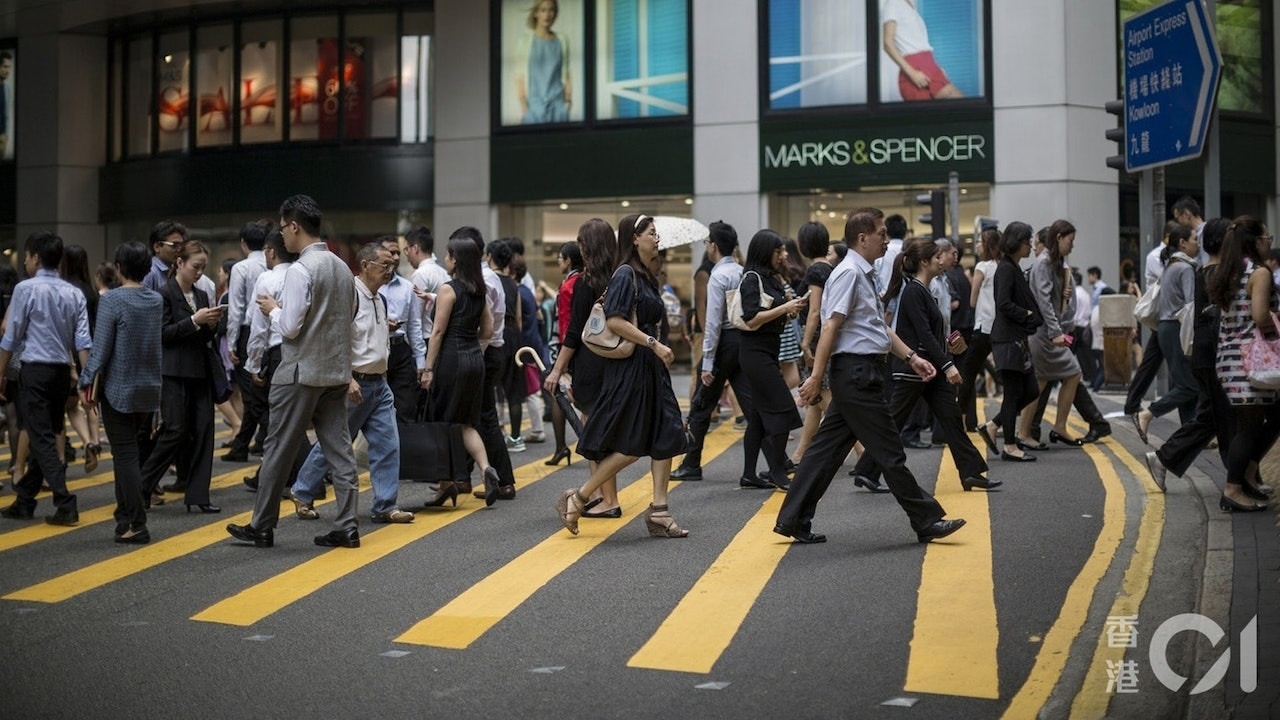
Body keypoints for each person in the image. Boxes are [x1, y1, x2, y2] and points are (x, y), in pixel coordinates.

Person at [775, 209, 966, 545]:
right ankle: (925, 519)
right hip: (856, 373)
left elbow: (877, 329)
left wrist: (912, 357)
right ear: (862, 239)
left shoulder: (864, 274)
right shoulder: (849, 274)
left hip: (863, 371)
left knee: (825, 450)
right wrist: (816, 377)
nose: (887, 240)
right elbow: (830, 327)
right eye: (881, 233)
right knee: (890, 450)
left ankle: (792, 518)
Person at [226, 194, 363, 549]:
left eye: (284, 228)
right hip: (335, 371)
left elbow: (289, 328)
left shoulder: (301, 270)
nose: (282, 236)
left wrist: (273, 309)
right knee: (340, 450)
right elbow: (349, 318)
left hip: (300, 371)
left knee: (278, 447)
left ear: (294, 226)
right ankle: (347, 525)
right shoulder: (342, 268)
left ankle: (262, 525)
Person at [553, 213, 689, 538]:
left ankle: (660, 511)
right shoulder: (625, 274)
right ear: (634, 238)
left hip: (652, 369)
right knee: (630, 444)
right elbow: (614, 320)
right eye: (652, 233)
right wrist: (653, 343)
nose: (657, 238)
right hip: (633, 369)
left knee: (666, 436)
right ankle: (580, 497)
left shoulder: (646, 275)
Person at [851, 238, 997, 491]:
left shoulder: (922, 289)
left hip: (929, 368)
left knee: (951, 419)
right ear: (924, 262)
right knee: (894, 422)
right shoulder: (914, 291)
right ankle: (867, 470)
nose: (942, 261)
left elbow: (929, 333)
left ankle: (971, 472)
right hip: (915, 369)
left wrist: (947, 347)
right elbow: (923, 334)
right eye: (937, 257)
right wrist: (948, 364)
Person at [290, 242, 415, 525]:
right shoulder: (349, 296)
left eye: (392, 265)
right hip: (354, 385)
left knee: (388, 444)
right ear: (366, 265)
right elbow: (335, 341)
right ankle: (302, 490)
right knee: (336, 444)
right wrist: (347, 379)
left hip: (379, 385)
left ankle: (385, 505)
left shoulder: (379, 299)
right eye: (384, 264)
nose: (390, 270)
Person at [0, 231, 92, 526]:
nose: (25, 262)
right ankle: (25, 501)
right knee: (48, 432)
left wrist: (0, 373)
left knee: (41, 437)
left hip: (35, 371)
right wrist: (87, 377)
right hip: (61, 374)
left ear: (36, 258)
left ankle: (65, 502)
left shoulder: (25, 289)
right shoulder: (74, 293)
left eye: (26, 257)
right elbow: (83, 341)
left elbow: (11, 337)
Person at [1143, 219, 1238, 492]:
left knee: (1210, 416)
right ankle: (1237, 480)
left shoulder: (1199, 270)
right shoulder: (1209, 272)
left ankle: (1165, 459)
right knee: (1223, 416)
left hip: (1202, 351)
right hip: (1214, 353)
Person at [78, 241, 163, 543]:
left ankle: (137, 523)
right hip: (148, 389)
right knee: (130, 454)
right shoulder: (156, 300)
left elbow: (100, 350)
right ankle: (124, 518)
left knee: (125, 455)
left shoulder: (112, 300)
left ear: (118, 267)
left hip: (118, 388)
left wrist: (85, 381)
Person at [543, 220, 622, 516]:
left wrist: (556, 369)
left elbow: (574, 332)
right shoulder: (621, 277)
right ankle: (602, 495)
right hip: (616, 360)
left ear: (588, 246)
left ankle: (608, 499)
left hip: (590, 362)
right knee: (603, 431)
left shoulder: (584, 283)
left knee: (593, 432)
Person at [138, 240, 222, 512]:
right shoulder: (163, 294)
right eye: (195, 267)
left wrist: (212, 324)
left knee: (204, 431)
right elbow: (162, 334)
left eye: (203, 267)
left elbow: (205, 336)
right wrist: (195, 321)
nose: (199, 272)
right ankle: (141, 486)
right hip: (173, 372)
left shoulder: (201, 295)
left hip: (199, 371)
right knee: (175, 430)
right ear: (180, 263)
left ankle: (198, 496)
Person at [672, 220, 753, 484]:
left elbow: (713, 321)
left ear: (714, 246)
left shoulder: (717, 275)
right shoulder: (742, 271)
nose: (706, 246)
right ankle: (768, 465)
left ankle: (691, 464)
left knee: (701, 405)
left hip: (722, 345)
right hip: (742, 341)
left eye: (707, 242)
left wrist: (707, 361)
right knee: (751, 405)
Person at [424, 237, 500, 508]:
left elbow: (438, 332)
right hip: (474, 359)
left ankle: (446, 483)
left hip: (451, 360)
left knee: (442, 422)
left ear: (455, 260)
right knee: (466, 422)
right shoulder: (479, 290)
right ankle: (486, 468)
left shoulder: (449, 290)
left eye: (447, 256)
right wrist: (469, 340)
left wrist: (428, 368)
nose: (445, 260)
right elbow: (488, 330)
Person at [1206, 216, 1276, 512]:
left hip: (1230, 358)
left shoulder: (1229, 271)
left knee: (1257, 420)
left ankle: (1246, 475)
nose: (1268, 243)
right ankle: (1233, 489)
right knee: (1249, 425)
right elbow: (1260, 315)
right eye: (1267, 238)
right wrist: (1276, 326)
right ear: (1255, 241)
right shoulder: (1259, 273)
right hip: (1250, 360)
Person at [737, 230, 808, 490]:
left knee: (757, 417)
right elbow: (751, 319)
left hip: (768, 350)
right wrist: (784, 308)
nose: (784, 255)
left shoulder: (772, 278)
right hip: (754, 353)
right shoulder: (751, 279)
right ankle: (777, 471)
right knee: (783, 409)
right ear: (765, 252)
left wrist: (790, 312)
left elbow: (772, 317)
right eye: (779, 251)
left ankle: (748, 474)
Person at [451, 227, 518, 500]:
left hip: (484, 352)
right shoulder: (486, 277)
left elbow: (482, 327)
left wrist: (471, 354)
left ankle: (504, 482)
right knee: (472, 416)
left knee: (484, 417)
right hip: (487, 352)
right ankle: (464, 477)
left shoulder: (483, 280)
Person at [978, 222, 1043, 462]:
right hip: (1007, 339)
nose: (1030, 246)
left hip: (1016, 338)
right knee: (1014, 393)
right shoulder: (1005, 269)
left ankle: (993, 425)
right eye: (1027, 241)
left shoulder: (1013, 267)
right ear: (1016, 242)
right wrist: (1027, 314)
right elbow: (1004, 303)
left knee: (1031, 390)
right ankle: (1010, 446)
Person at [1019, 220, 1086, 446]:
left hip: (1047, 332)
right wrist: (1056, 331)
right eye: (1070, 240)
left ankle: (1041, 429)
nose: (1072, 245)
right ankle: (1023, 431)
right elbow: (1043, 301)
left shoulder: (1054, 262)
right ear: (1058, 238)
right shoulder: (1044, 262)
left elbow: (1051, 298)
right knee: (1048, 380)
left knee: (1049, 379)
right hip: (1044, 333)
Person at [1131, 224, 1200, 440]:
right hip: (1178, 328)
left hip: (1165, 328)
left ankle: (1189, 434)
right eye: (1194, 239)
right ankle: (1148, 413)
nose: (1198, 244)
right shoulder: (1185, 268)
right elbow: (1191, 305)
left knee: (1184, 383)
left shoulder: (1170, 266)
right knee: (1190, 386)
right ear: (1182, 243)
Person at [240, 229, 295, 492]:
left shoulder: (267, 278)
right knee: (290, 415)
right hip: (301, 351)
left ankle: (296, 474)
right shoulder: (302, 275)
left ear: (270, 252)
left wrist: (253, 364)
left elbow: (258, 327)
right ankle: (269, 474)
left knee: (272, 415)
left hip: (276, 354)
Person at [224, 220, 270, 461]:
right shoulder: (272, 263)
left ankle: (272, 436)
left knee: (252, 395)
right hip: (273, 331)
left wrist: (232, 343)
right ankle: (242, 446)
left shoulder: (241, 268)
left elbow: (236, 308)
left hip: (247, 332)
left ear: (243, 243)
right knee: (259, 389)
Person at [792, 222, 836, 467]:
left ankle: (862, 450)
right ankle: (801, 453)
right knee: (814, 397)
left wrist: (806, 343)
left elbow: (815, 311)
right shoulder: (830, 268)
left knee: (823, 395)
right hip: (828, 336)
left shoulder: (815, 271)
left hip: (817, 338)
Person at [59, 244, 102, 473]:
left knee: (65, 406)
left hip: (67, 352)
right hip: (89, 351)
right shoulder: (91, 291)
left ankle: (69, 452)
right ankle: (92, 441)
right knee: (87, 402)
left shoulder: (64, 290)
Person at [377, 235, 428, 422]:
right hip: (376, 350)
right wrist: (383, 325)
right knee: (376, 408)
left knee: (406, 406)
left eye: (398, 253)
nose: (396, 257)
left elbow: (414, 326)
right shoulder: (366, 287)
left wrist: (421, 362)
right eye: (391, 253)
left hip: (400, 350)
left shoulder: (407, 287)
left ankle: (405, 441)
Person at [958, 228, 1001, 432]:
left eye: (980, 242)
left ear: (988, 246)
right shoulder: (1004, 266)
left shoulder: (982, 267)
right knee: (1003, 372)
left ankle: (960, 421)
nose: (976, 245)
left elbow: (973, 301)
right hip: (1001, 328)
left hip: (983, 327)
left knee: (967, 374)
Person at [545, 241, 582, 465]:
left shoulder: (569, 285)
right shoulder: (583, 280)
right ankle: (563, 448)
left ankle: (563, 447)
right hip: (579, 346)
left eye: (560, 258)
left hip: (567, 348)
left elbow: (566, 324)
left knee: (559, 394)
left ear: (568, 260)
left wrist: (561, 359)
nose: (559, 262)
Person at [882, 0, 963, 101]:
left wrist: (936, 67)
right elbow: (887, 43)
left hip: (928, 65)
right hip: (916, 69)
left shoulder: (911, 7)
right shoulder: (893, 3)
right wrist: (912, 73)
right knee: (963, 104)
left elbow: (918, 43)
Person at [511, 254, 548, 443]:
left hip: (525, 345)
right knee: (532, 387)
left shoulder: (517, 292)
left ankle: (538, 430)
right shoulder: (527, 291)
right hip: (534, 342)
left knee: (531, 389)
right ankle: (537, 428)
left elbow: (519, 320)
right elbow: (539, 317)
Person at [516, 0, 572, 124]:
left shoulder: (562, 40)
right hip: (534, 109)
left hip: (558, 108)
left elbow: (566, 74)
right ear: (536, 13)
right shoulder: (524, 42)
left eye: (551, 10)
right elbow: (519, 77)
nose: (547, 15)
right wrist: (525, 109)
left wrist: (567, 103)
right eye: (543, 10)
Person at [145, 220, 186, 292]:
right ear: (157, 247)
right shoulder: (150, 272)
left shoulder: (176, 270)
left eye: (181, 245)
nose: (179, 249)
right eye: (174, 245)